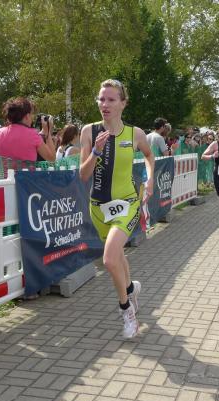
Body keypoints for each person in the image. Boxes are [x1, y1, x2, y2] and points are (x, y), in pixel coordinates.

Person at [79, 79, 154, 339]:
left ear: (123, 103)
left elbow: (149, 155)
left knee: (110, 259)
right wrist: (96, 152)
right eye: (101, 99)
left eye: (111, 99)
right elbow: (83, 175)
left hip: (127, 204)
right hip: (99, 208)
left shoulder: (135, 134)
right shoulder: (89, 131)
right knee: (117, 255)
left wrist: (150, 178)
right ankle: (131, 288)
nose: (105, 104)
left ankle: (126, 310)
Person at [0, 97, 55, 172]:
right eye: (32, 114)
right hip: (27, 179)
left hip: (4, 179)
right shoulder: (33, 134)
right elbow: (51, 158)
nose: (32, 118)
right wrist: (48, 133)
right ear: (27, 116)